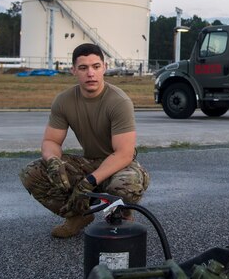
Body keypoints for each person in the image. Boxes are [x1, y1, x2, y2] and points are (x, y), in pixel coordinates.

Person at [20, 43, 150, 238]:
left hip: (119, 164)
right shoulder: (64, 101)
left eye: (96, 67)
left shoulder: (119, 101)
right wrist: (53, 161)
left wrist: (89, 181)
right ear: (74, 70)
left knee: (125, 185)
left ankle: (121, 214)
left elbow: (124, 153)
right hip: (89, 162)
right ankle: (77, 216)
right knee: (32, 173)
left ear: (104, 67)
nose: (90, 73)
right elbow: (51, 141)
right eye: (83, 68)